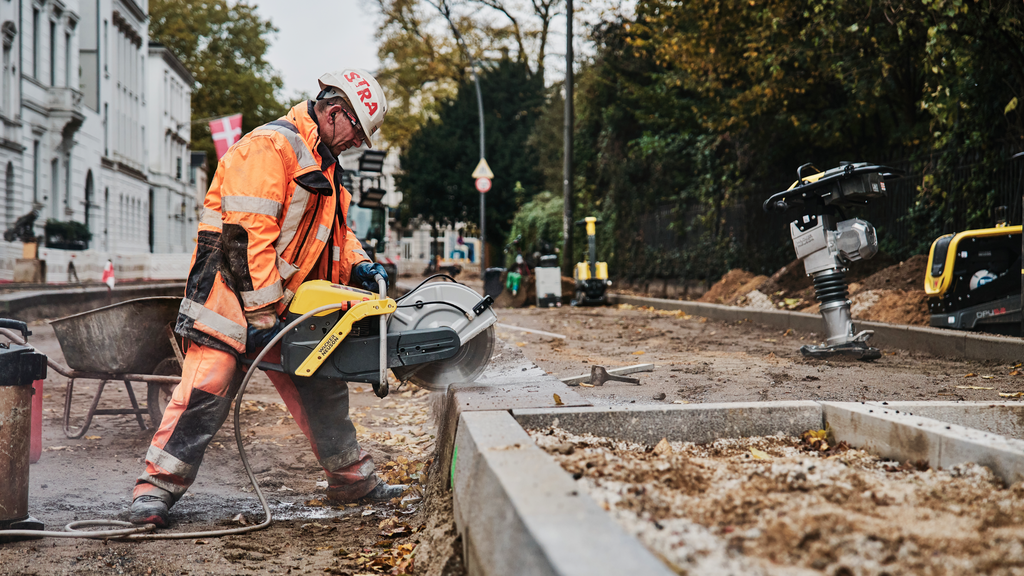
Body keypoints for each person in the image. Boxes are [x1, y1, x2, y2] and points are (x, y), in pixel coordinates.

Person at [130, 69, 401, 528]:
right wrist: (261, 315)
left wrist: (360, 263)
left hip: (279, 302)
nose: (358, 142)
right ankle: (154, 489)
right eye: (357, 131)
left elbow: (336, 234)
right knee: (207, 386)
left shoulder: (324, 164)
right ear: (336, 113)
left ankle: (351, 480)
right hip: (228, 296)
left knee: (321, 381)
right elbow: (245, 238)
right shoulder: (269, 147)